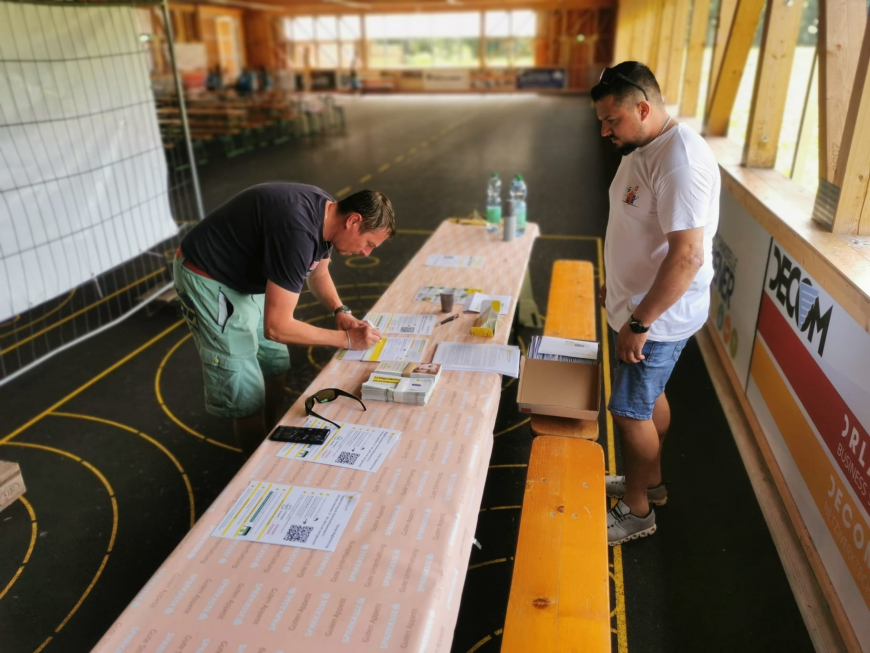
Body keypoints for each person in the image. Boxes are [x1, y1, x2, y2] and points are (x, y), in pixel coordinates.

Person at [591, 62, 720, 545]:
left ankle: (638, 509)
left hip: (658, 318)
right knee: (649, 397)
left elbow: (687, 255)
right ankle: (651, 482)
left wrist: (640, 321)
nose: (605, 131)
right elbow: (640, 231)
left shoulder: (679, 160)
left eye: (612, 121)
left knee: (628, 412)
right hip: (639, 304)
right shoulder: (646, 144)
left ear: (643, 107)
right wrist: (619, 284)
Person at [174, 184, 395, 455]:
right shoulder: (297, 234)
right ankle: (254, 468)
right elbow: (277, 328)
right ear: (353, 221)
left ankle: (270, 431)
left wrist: (341, 311)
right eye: (369, 243)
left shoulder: (327, 211)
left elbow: (318, 272)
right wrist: (347, 339)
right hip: (210, 277)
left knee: (276, 363)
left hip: (244, 273)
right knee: (246, 391)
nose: (366, 253)